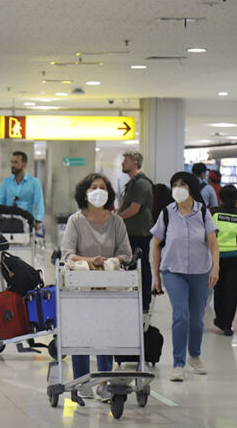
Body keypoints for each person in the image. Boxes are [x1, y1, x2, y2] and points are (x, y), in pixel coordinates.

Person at [61, 173, 132, 401]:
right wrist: (91, 261)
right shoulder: (76, 221)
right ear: (85, 193)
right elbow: (67, 254)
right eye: (94, 187)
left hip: (109, 285)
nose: (98, 191)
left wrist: (111, 261)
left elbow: (126, 253)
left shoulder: (116, 221)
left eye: (102, 187)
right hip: (82, 285)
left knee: (105, 335)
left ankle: (103, 382)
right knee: (81, 333)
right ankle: (82, 382)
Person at [150, 171, 219, 382]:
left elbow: (213, 244)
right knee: (181, 315)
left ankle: (195, 356)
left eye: (183, 185)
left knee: (197, 319)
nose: (178, 188)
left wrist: (216, 268)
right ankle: (178, 363)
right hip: (173, 271)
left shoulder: (203, 212)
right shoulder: (167, 213)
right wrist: (156, 276)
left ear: (191, 188)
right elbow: (155, 245)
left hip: (201, 271)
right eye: (175, 185)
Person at [211, 185, 237, 336]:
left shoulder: (213, 213)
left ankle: (220, 320)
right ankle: (228, 325)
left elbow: (207, 234)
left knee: (219, 289)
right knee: (232, 291)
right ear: (236, 198)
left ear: (220, 198)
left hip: (217, 257)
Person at [117, 151, 154, 312]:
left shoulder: (141, 184)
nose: (123, 163)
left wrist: (117, 218)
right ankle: (133, 295)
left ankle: (145, 300)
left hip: (140, 232)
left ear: (135, 163)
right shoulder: (132, 183)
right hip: (131, 231)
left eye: (126, 160)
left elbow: (134, 208)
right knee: (131, 265)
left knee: (142, 265)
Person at [0, 151, 44, 231]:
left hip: (27, 222)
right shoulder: (6, 182)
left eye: (16, 162)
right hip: (7, 222)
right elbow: (0, 202)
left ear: (24, 164)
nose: (12, 165)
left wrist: (38, 220)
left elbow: (39, 203)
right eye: (12, 162)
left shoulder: (34, 182)